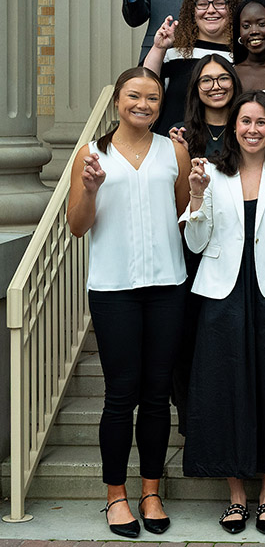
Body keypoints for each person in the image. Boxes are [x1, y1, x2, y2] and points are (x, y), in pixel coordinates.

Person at [181, 91, 265, 536]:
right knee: (224, 391)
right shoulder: (213, 174)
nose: (252, 129)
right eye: (245, 122)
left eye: (261, 122)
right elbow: (196, 245)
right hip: (221, 296)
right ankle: (236, 498)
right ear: (232, 128)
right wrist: (196, 200)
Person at [67, 67, 190, 538]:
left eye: (153, 98)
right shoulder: (90, 155)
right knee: (121, 395)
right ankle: (115, 495)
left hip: (167, 286)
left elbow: (182, 214)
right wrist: (93, 190)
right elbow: (78, 226)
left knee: (157, 395)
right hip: (114, 287)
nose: (144, 104)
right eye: (134, 96)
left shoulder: (173, 151)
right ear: (117, 100)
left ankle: (151, 491)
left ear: (161, 105)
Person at [165, 54, 244, 439]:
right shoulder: (180, 136)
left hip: (235, 250)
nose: (216, 86)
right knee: (188, 333)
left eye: (222, 78)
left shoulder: (250, 128)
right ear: (195, 89)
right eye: (206, 80)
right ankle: (189, 412)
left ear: (234, 81)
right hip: (189, 250)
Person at [143, 0, 243, 134]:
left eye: (219, 3)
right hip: (171, 145)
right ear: (192, 11)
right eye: (202, 4)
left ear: (232, 9)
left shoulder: (242, 56)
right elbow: (145, 86)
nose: (211, 10)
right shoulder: (174, 52)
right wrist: (158, 48)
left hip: (222, 148)